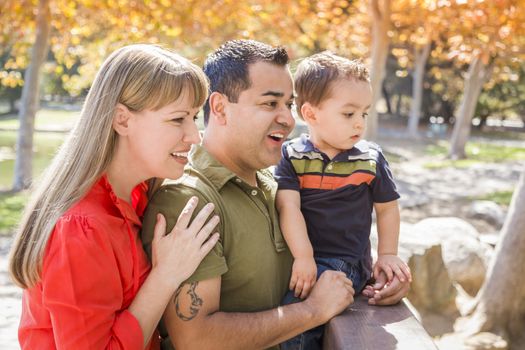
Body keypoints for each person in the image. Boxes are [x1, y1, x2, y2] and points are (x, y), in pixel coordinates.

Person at [140, 40, 355, 350]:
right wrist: (312, 311)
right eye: (270, 103)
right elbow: (196, 339)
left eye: (289, 105)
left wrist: (381, 273)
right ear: (220, 108)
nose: (288, 118)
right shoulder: (189, 200)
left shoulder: (275, 184)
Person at [8, 44, 220, 350]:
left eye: (195, 117)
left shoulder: (141, 197)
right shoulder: (82, 227)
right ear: (122, 120)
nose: (194, 135)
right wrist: (165, 277)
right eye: (178, 119)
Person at [275, 51, 412, 350]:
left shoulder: (370, 158)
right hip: (303, 258)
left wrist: (388, 253)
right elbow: (289, 207)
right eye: (348, 114)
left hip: (345, 261)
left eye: (364, 113)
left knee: (297, 320)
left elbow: (387, 209)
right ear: (311, 114)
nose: (359, 124)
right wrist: (303, 256)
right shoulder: (292, 156)